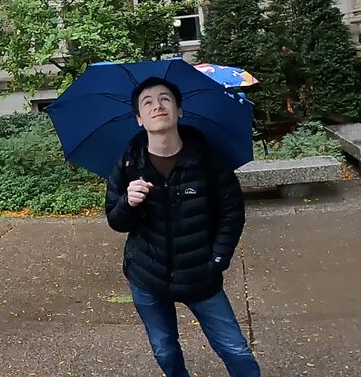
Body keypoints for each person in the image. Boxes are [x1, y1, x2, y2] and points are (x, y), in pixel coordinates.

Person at [105, 77, 261, 377]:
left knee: (235, 349)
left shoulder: (209, 160)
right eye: (147, 103)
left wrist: (216, 260)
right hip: (146, 275)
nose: (157, 106)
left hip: (200, 274)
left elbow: (232, 214)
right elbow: (116, 221)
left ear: (179, 110)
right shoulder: (128, 165)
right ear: (139, 119)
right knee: (164, 348)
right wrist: (129, 202)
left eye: (165, 99)